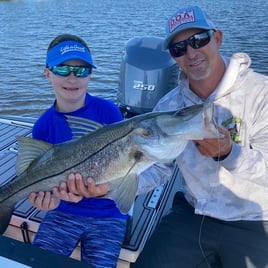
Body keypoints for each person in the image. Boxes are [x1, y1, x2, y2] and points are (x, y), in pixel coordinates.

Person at [132, 5, 268, 268]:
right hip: (193, 213)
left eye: (199, 40)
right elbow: (157, 168)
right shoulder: (169, 106)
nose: (191, 53)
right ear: (173, 57)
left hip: (257, 218)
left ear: (217, 38)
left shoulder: (261, 93)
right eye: (179, 48)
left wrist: (229, 154)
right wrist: (107, 188)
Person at [28, 34, 128, 268]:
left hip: (108, 213)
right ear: (47, 73)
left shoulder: (108, 112)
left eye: (81, 71)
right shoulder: (43, 125)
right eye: (63, 69)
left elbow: (122, 168)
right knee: (39, 262)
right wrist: (47, 202)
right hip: (62, 212)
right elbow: (43, 182)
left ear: (90, 74)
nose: (72, 78)